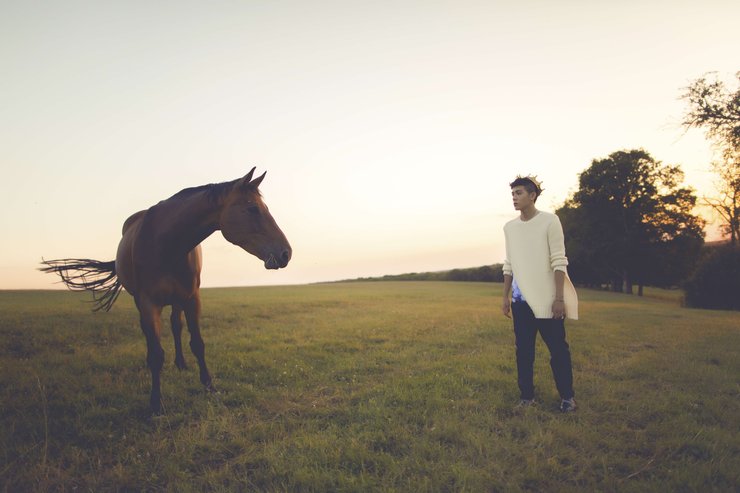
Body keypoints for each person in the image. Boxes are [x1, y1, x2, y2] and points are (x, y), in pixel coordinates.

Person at [501, 175, 579, 412]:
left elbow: (559, 261)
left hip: (547, 300)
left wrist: (558, 299)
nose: (514, 198)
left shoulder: (549, 221)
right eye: (513, 194)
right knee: (523, 352)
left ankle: (567, 398)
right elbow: (509, 263)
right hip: (520, 301)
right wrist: (505, 296)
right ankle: (526, 397)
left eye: (519, 193)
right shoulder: (509, 227)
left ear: (532, 195)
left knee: (558, 351)